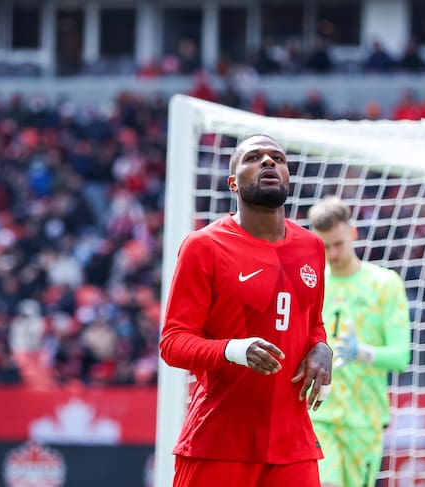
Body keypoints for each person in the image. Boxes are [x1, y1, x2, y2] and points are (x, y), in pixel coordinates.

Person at [159, 134, 333, 487]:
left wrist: (323, 348)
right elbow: (173, 343)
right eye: (254, 157)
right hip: (220, 442)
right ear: (233, 183)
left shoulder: (312, 246)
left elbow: (312, 324)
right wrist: (235, 350)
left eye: (277, 158)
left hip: (293, 446)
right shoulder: (203, 246)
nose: (269, 162)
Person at [307, 196, 411, 487]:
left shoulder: (385, 284)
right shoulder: (313, 285)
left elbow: (400, 356)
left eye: (338, 244)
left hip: (364, 421)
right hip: (318, 414)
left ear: (353, 234)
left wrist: (361, 353)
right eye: (325, 246)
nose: (333, 253)